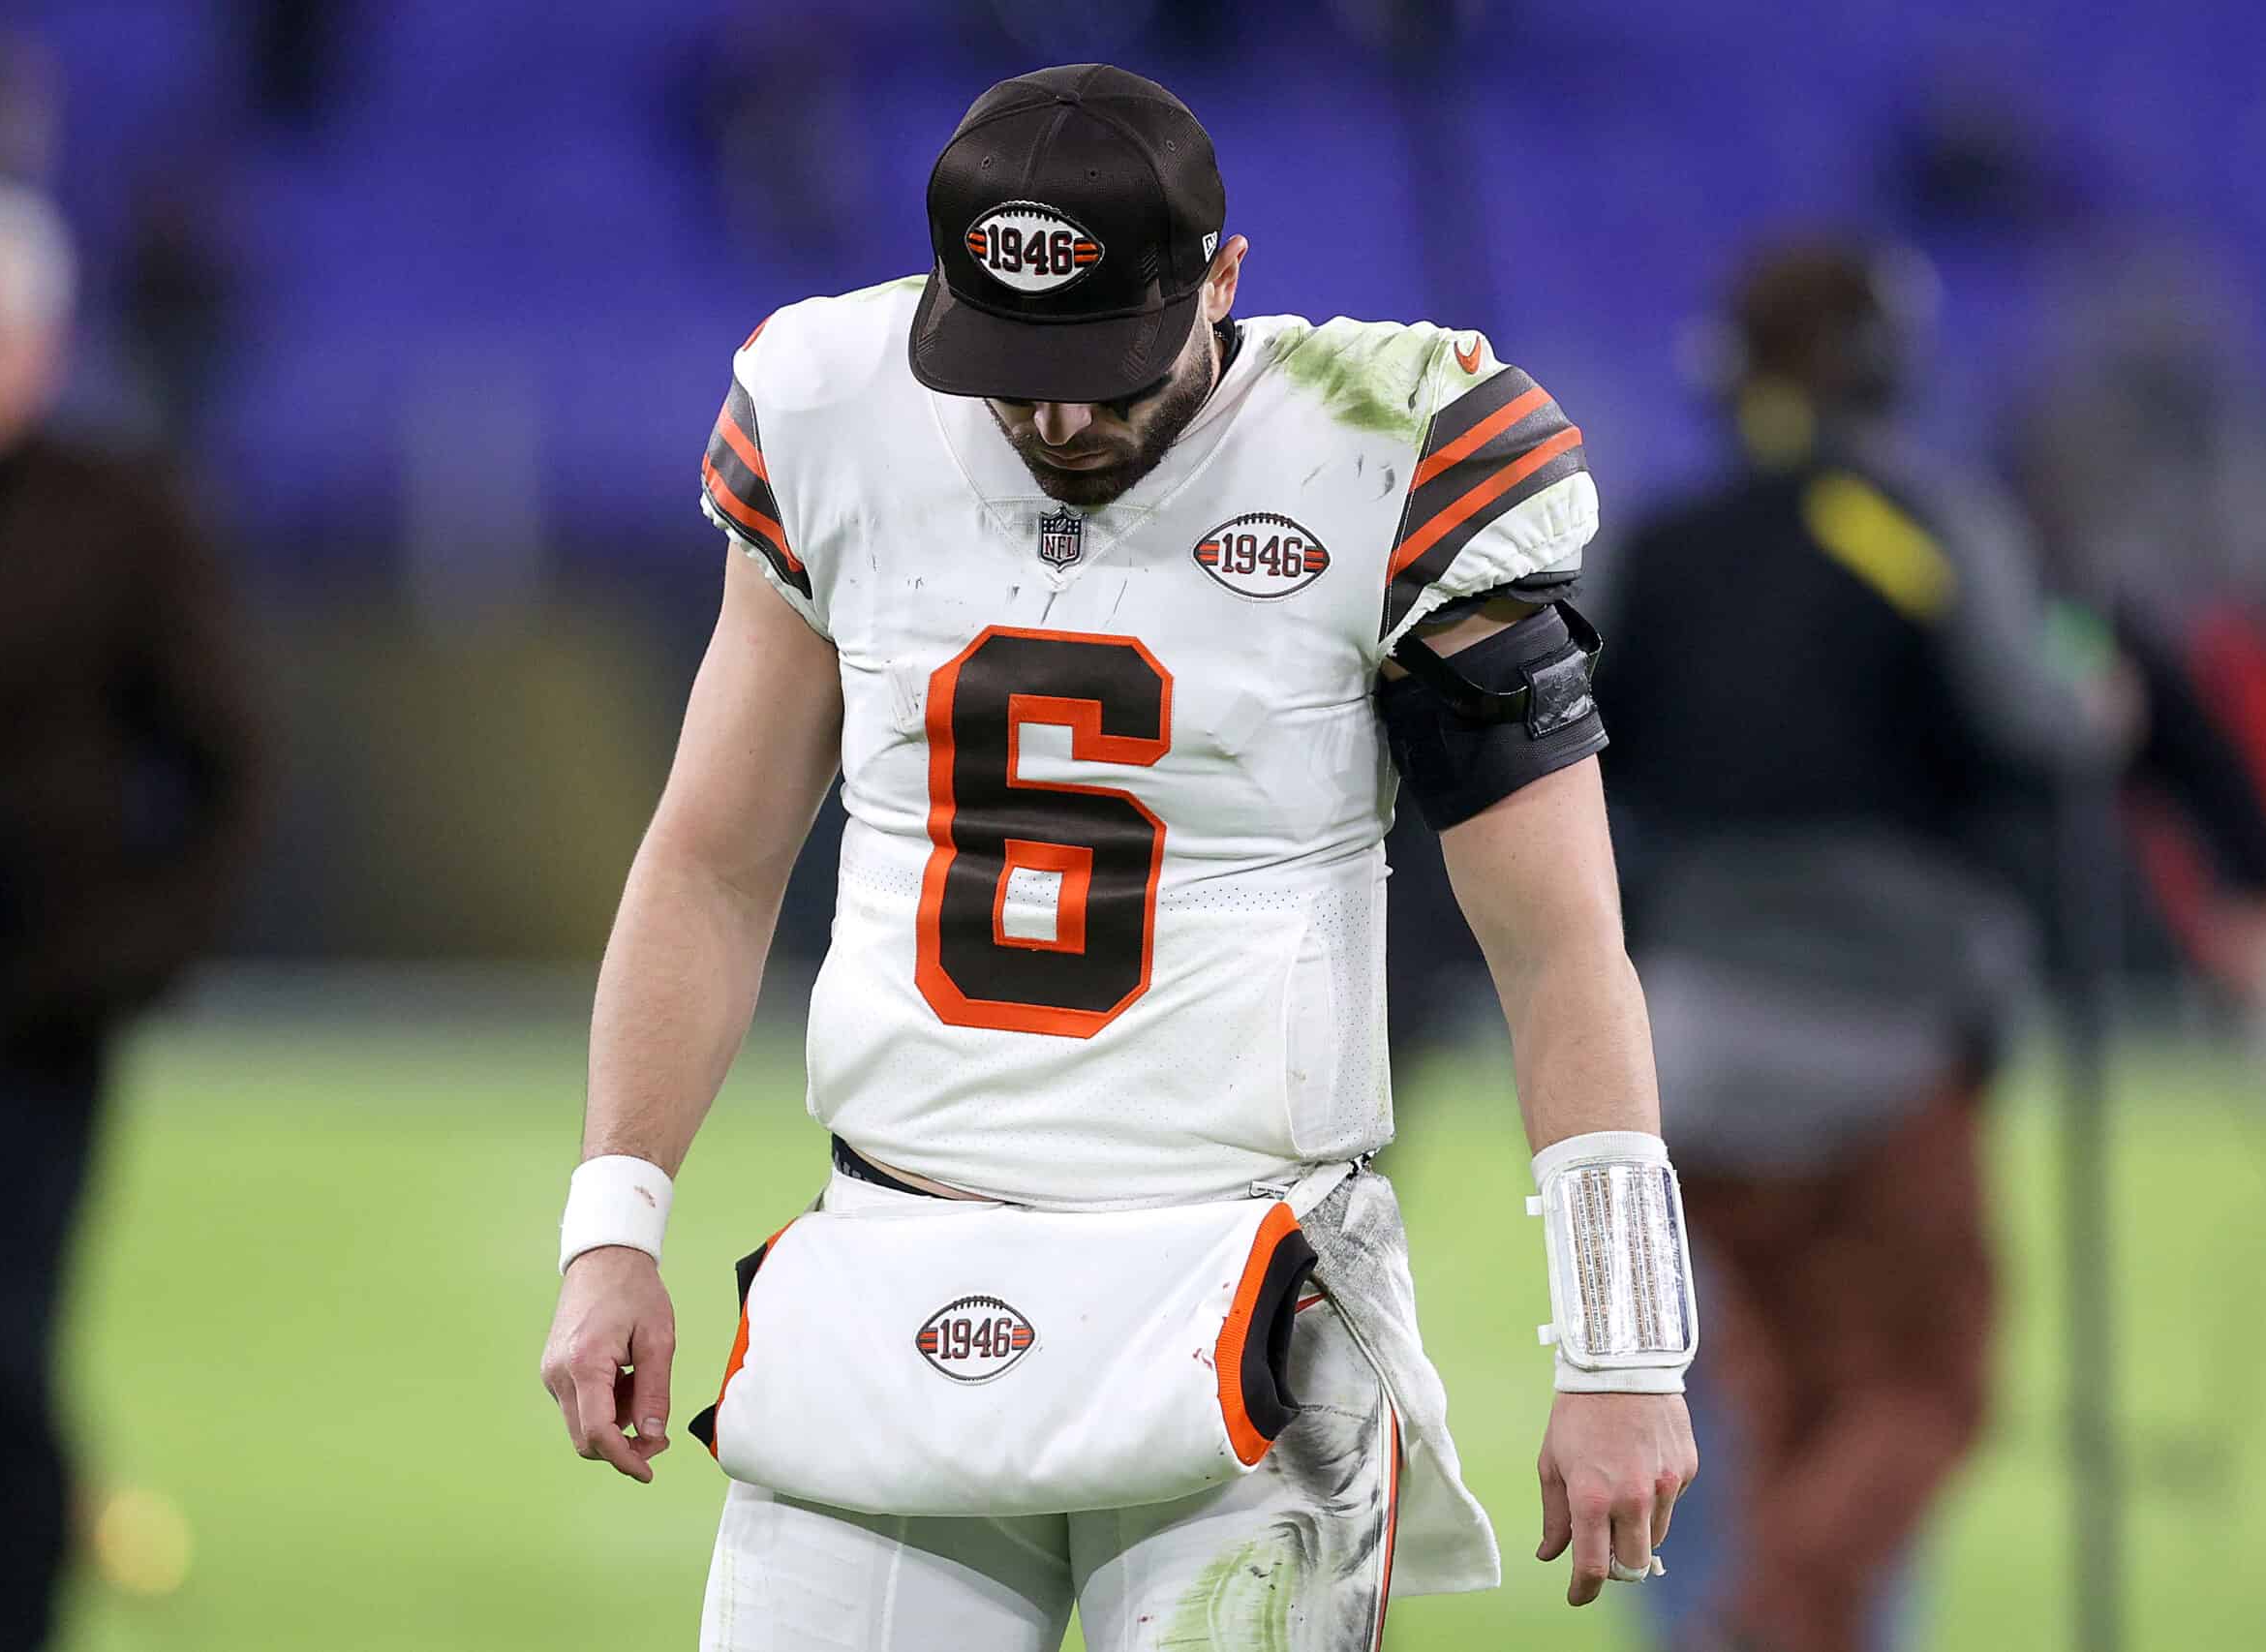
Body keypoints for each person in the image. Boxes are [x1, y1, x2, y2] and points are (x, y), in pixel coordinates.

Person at [538, 65, 1698, 1649]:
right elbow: (712, 861)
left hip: (1246, 1284)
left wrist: (1625, 1348)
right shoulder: (831, 410)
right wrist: (612, 1227)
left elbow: (1559, 943)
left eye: (1104, 366)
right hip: (892, 1259)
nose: (1059, 416)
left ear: (1226, 280)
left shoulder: (1386, 442)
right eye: (1011, 371)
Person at [1595, 241, 2129, 1652]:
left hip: (1687, 1044)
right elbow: (2039, 720)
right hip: (1884, 1036)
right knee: (1921, 1390)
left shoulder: (1660, 543)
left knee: (1754, 1404)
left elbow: (1571, 744)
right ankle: (1776, 1620)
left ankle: (1753, 1614)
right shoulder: (1924, 522)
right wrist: (2104, 697)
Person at [0, 173, 266, 1652]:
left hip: (25, 1019)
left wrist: (125, 958)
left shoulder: (119, 512)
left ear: (38, 350)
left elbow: (226, 765)